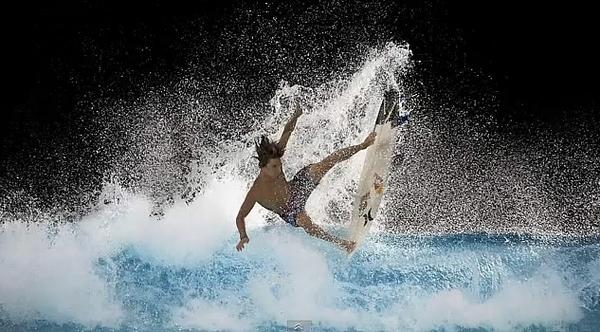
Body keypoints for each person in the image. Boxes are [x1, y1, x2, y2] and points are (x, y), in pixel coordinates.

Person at [235, 100, 376, 253]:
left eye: (279, 165)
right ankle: (343, 244)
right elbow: (240, 216)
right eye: (274, 167)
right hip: (290, 210)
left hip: (296, 187)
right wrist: (243, 236)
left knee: (326, 163)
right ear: (263, 166)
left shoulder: (275, 156)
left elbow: (288, 130)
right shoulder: (257, 190)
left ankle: (363, 145)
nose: (279, 169)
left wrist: (296, 115)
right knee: (306, 223)